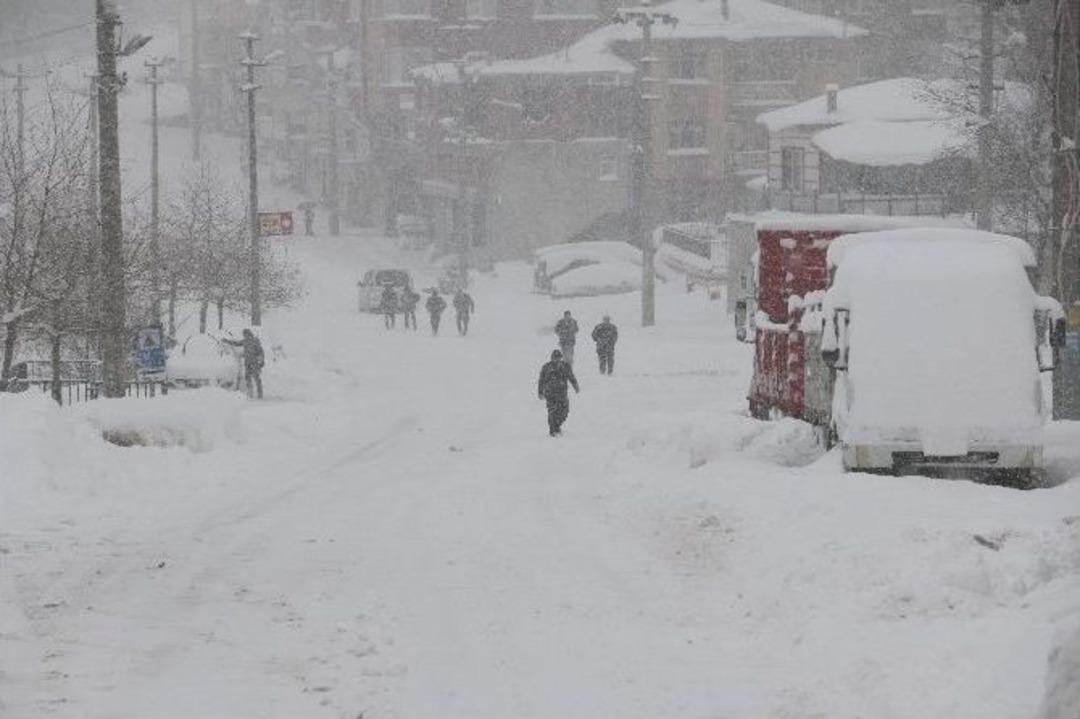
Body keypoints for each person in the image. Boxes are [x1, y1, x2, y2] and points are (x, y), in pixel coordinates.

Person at [537, 348, 579, 436]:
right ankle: (553, 430)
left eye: (559, 358)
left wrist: (575, 386)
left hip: (562, 393)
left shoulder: (565, 366)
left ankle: (557, 426)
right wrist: (540, 392)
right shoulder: (546, 367)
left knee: (565, 411)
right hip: (550, 394)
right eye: (555, 358)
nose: (557, 360)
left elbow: (571, 377)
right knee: (552, 412)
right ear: (552, 358)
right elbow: (541, 381)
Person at [222, 328, 265, 399]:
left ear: (249, 334)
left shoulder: (255, 341)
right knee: (248, 378)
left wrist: (261, 361)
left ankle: (260, 394)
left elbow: (261, 352)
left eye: (246, 334)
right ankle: (250, 393)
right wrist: (227, 341)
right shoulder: (245, 341)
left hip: (255, 364)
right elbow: (236, 343)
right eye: (244, 335)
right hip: (248, 364)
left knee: (257, 379)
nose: (245, 336)